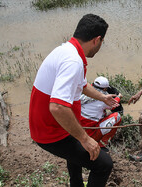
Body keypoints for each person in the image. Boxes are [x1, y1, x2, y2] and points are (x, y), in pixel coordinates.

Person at [29, 14, 118, 187]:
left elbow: (83, 85)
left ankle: (76, 184)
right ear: (97, 40)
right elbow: (57, 107)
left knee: (76, 155)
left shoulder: (67, 50)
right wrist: (85, 139)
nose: (100, 46)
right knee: (104, 165)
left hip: (51, 125)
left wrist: (103, 97)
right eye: (102, 42)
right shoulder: (73, 61)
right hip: (51, 131)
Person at [80, 76, 123, 151]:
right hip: (90, 135)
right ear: (105, 89)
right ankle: (102, 144)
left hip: (78, 133)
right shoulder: (104, 99)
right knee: (117, 116)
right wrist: (119, 96)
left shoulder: (83, 93)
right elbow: (113, 105)